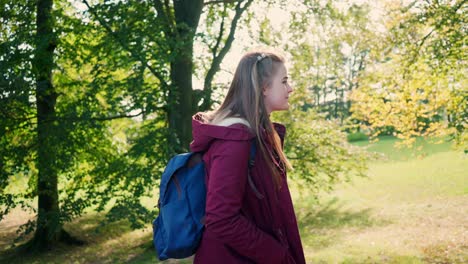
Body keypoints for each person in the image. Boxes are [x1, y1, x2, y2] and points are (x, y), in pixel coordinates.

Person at [190, 50, 306, 264]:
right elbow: (221, 219)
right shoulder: (234, 142)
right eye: (284, 81)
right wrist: (278, 256)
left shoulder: (256, 136)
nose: (290, 88)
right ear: (264, 88)